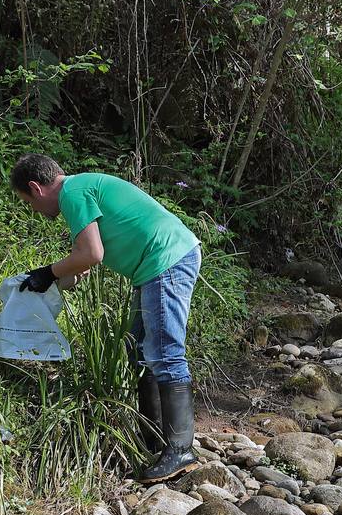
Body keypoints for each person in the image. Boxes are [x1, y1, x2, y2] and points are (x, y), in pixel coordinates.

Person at [10, 154, 201, 482]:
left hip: (166, 261)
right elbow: (81, 263)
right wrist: (49, 280)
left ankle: (181, 449)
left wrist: (48, 272)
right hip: (158, 264)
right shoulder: (81, 189)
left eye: (28, 203)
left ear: (35, 188)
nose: (33, 211)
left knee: (165, 352)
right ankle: (154, 439)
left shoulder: (72, 193)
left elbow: (92, 254)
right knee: (137, 349)